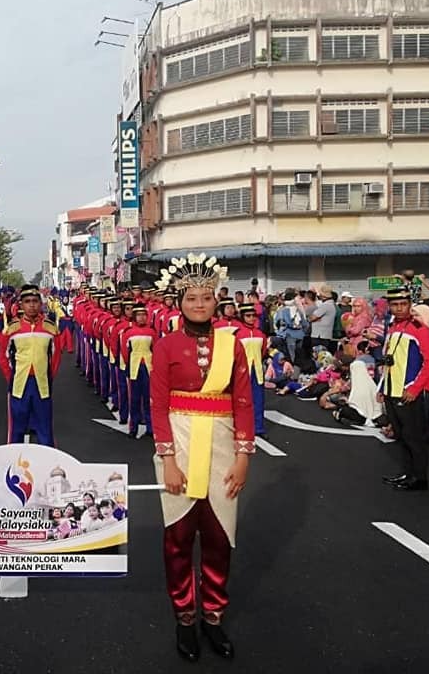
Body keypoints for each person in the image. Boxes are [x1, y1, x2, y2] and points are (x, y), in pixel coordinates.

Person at [150, 253, 254, 662]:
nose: (198, 304)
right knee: (177, 538)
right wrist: (168, 460)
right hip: (179, 441)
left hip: (223, 445)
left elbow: (243, 401)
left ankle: (213, 616)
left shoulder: (233, 345)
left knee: (218, 537)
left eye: (205, 298)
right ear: (179, 302)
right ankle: (184, 617)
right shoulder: (165, 346)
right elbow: (157, 406)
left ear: (216, 301)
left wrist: (244, 457)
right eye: (191, 298)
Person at [379, 288, 429, 491]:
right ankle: (407, 473)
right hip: (391, 390)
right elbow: (389, 361)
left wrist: (414, 388)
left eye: (403, 304)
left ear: (409, 304)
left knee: (413, 437)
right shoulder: (392, 326)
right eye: (395, 304)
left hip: (407, 392)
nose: (399, 308)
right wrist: (382, 387)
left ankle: (420, 478)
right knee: (401, 435)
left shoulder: (418, 328)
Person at [0, 284, 61, 446]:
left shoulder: (49, 328)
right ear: (21, 305)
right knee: (16, 430)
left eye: (35, 301)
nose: (32, 305)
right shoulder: (13, 329)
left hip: (42, 383)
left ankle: (47, 466)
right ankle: (14, 466)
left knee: (45, 429)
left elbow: (55, 356)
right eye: (27, 301)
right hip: (20, 383)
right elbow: (3, 357)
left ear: (41, 304)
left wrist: (48, 376)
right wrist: (11, 377)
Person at [121, 304, 156, 439]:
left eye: (144, 315)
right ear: (135, 317)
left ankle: (150, 427)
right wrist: (129, 366)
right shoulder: (129, 333)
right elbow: (125, 352)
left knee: (148, 399)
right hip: (134, 368)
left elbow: (156, 349)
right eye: (139, 315)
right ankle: (133, 427)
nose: (142, 318)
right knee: (134, 399)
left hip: (148, 368)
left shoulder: (151, 332)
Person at [236, 303, 267, 439]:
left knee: (258, 399)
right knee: (242, 400)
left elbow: (263, 350)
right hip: (242, 371)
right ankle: (241, 427)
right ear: (242, 317)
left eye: (253, 316)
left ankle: (258, 428)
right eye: (248, 316)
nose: (251, 318)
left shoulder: (260, 334)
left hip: (258, 370)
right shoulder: (238, 334)